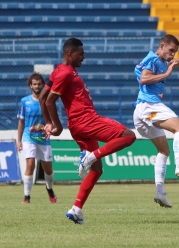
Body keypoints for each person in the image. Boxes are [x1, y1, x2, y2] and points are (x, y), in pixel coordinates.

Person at [39, 37, 136, 224]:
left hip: (78, 125)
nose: (83, 57)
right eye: (80, 54)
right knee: (129, 136)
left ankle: (76, 209)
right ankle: (90, 157)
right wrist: (56, 126)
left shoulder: (60, 70)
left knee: (97, 170)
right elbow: (49, 101)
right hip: (85, 120)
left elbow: (43, 97)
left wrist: (49, 123)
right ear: (70, 53)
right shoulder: (65, 73)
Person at [133, 34, 179, 208]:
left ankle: (160, 193)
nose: (173, 55)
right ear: (162, 46)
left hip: (143, 114)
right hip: (149, 105)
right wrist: (166, 74)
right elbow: (144, 78)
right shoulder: (152, 59)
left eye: (175, 52)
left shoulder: (161, 60)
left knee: (164, 151)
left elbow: (172, 62)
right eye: (171, 50)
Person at [17, 72, 57, 204]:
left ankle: (49, 189)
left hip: (43, 138)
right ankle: (26, 197)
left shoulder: (48, 100)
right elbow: (21, 121)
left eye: (39, 84)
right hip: (29, 137)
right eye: (34, 84)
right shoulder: (25, 101)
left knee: (48, 169)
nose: (37, 86)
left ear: (43, 85)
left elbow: (52, 119)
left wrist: (49, 127)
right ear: (30, 85)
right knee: (30, 165)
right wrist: (19, 141)